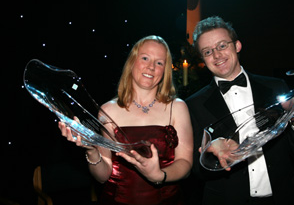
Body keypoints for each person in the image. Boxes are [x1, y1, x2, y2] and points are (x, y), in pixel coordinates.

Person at [185, 16, 294, 205]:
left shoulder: (276, 87)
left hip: (282, 197)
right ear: (203, 59)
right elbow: (196, 169)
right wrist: (211, 156)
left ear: (237, 46)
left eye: (222, 45)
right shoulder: (193, 105)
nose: (217, 55)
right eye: (208, 51)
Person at [58, 35, 193, 205]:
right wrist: (91, 150)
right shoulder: (108, 110)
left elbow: (185, 163)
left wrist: (159, 175)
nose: (151, 67)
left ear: (165, 71)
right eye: (145, 58)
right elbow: (102, 176)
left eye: (159, 62)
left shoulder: (177, 107)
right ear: (132, 63)